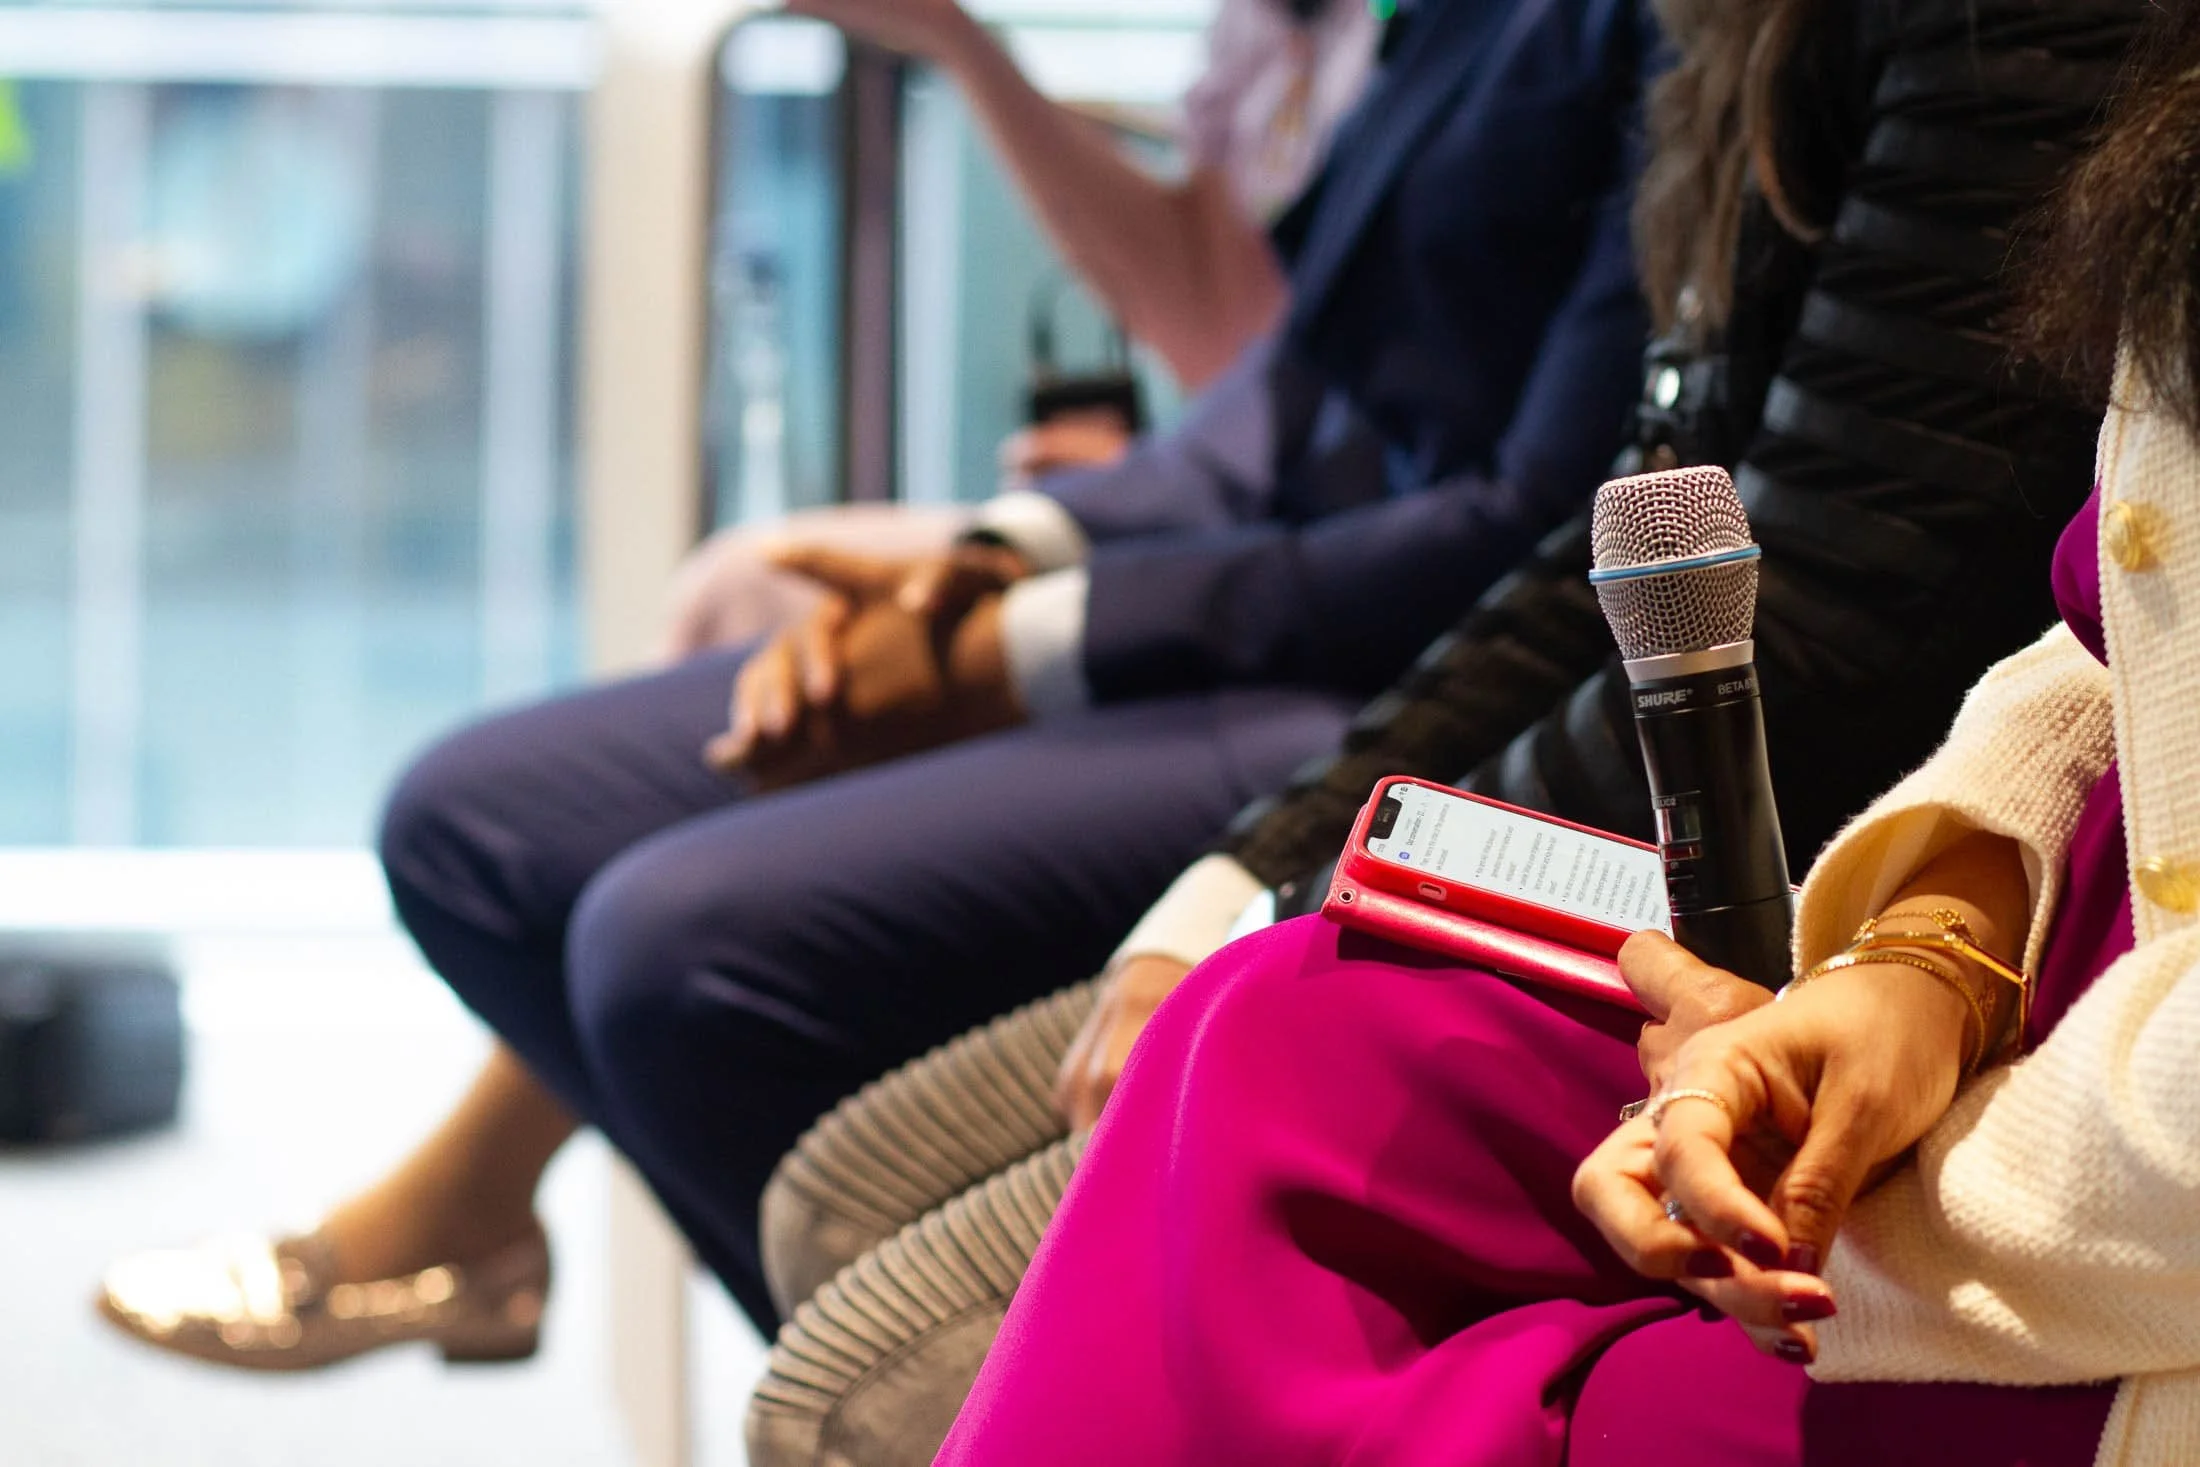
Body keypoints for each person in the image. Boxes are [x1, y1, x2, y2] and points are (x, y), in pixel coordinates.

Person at [93, 0, 1649, 1371]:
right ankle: (769, 1324)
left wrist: (1019, 638)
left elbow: (1513, 522)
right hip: (1244, 556)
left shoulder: (1647, 35)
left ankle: (920, 1390)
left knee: (674, 947)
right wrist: (984, 561)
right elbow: (1287, 394)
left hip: (1394, 687)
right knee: (471, 818)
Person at [745, 0, 2142, 1457]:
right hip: (1816, 889)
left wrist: (1906, 1070)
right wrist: (1247, 870)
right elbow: (2053, 634)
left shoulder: (2003, 37)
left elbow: (1820, 617)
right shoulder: (1709, 37)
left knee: (858, 1361)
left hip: (1792, 895)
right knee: (1165, 1039)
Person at [661, 0, 1379, 660]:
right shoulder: (1266, 27)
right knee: (736, 596)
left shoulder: (1414, 40)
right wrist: (952, 37)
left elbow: (1240, 353)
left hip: (1295, 537)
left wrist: (1155, 483)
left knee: (749, 598)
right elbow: (1213, 316)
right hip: (1220, 493)